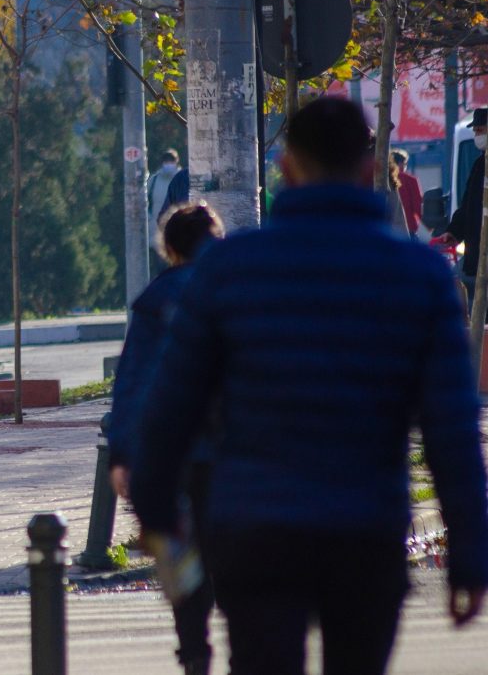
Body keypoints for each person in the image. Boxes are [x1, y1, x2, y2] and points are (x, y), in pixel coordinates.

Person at [129, 97, 488, 675]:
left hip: (255, 528)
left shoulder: (227, 271)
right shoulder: (419, 278)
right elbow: (450, 429)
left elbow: (171, 407)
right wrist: (470, 552)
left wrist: (156, 514)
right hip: (365, 529)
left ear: (287, 168)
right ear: (370, 168)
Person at [109, 202, 225, 675]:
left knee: (183, 554)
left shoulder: (157, 301)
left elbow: (134, 383)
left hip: (177, 457)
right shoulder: (243, 290)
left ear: (170, 249)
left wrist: (122, 454)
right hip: (241, 455)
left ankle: (194, 650)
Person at [440, 107, 488, 296]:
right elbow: (468, 204)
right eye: (475, 131)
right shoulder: (479, 163)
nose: (477, 135)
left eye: (480, 130)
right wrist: (454, 231)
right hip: (479, 253)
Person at [147, 150, 183, 277]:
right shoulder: (155, 179)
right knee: (161, 268)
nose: (169, 164)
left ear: (176, 161)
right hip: (157, 231)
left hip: (179, 230)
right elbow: (144, 201)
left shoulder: (182, 178)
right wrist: (149, 218)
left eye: (171, 160)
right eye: (166, 161)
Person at [391, 148, 424, 236]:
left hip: (387, 228)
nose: (405, 167)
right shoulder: (411, 180)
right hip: (408, 228)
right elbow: (418, 206)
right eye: (405, 164)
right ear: (400, 163)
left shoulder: (383, 180)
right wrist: (430, 225)